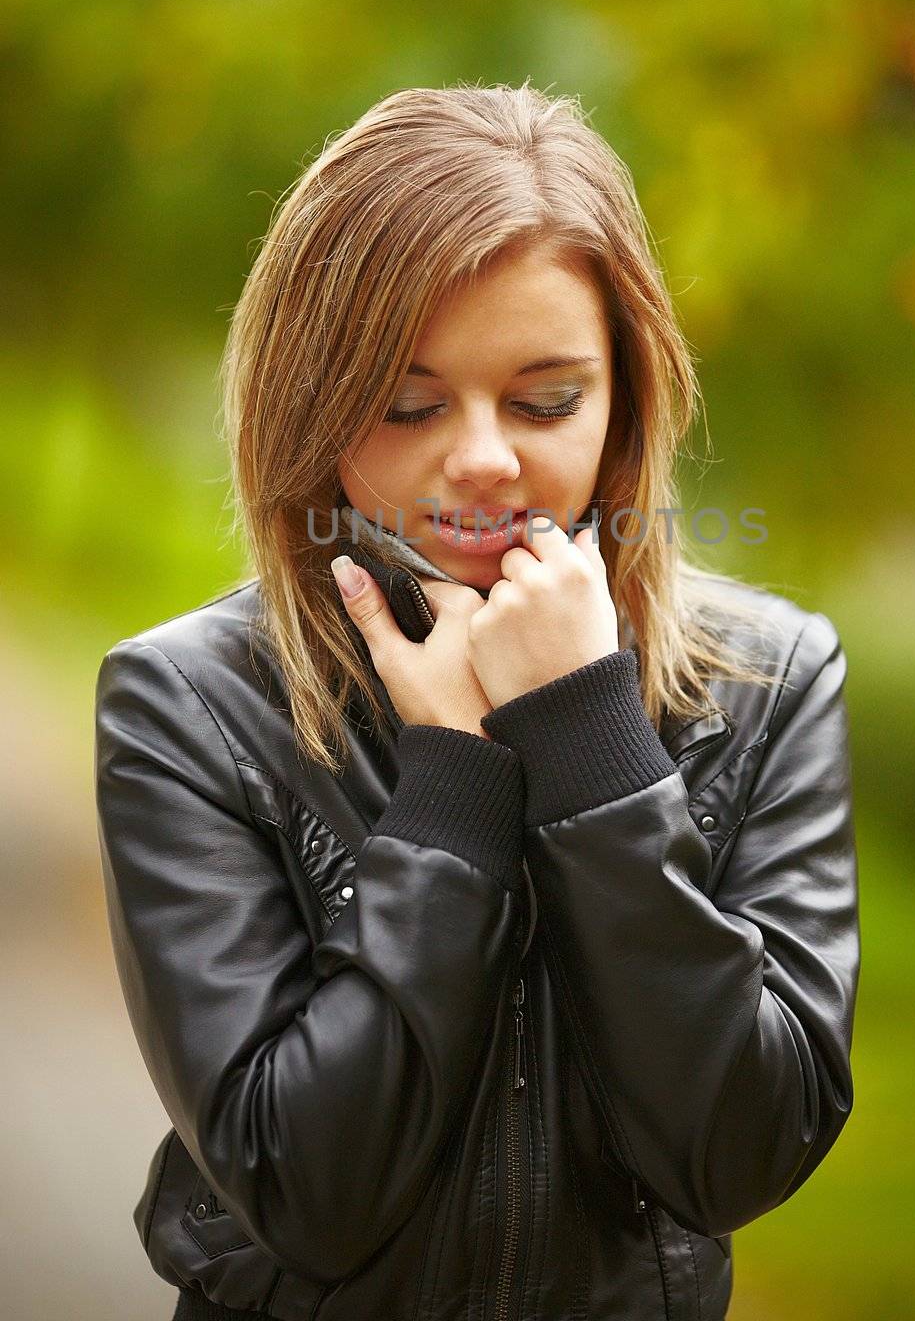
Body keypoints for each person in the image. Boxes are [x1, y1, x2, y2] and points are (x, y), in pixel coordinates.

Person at [94, 81, 861, 1321]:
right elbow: (305, 1193)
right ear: (312, 400)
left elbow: (739, 1153)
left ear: (625, 400)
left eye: (545, 399)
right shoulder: (188, 705)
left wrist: (591, 741)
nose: (484, 457)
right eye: (408, 403)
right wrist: (450, 780)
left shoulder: (768, 679)